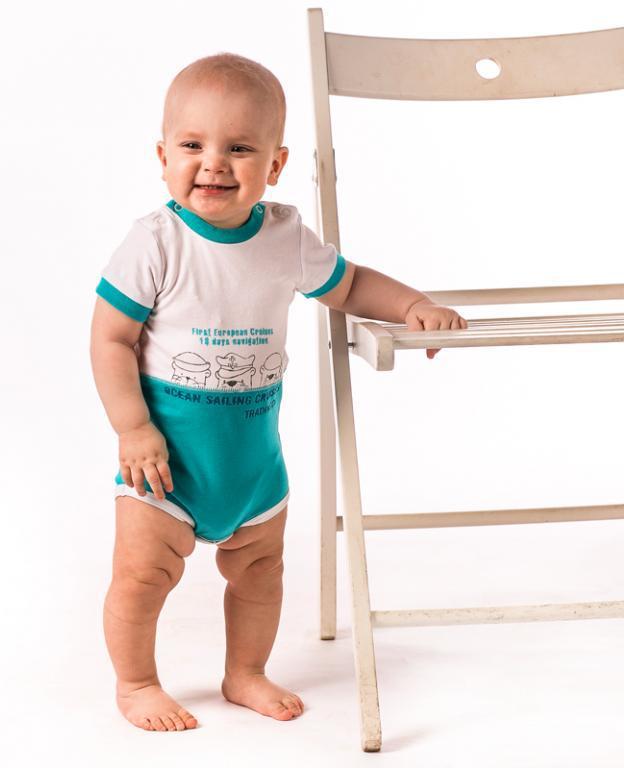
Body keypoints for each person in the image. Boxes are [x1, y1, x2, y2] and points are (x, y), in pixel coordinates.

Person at [90, 52, 468, 733]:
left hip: (253, 466)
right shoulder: (156, 242)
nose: (214, 164)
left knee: (261, 574)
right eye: (192, 145)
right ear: (163, 156)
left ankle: (245, 672)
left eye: (239, 148)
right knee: (141, 578)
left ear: (275, 165)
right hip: (163, 464)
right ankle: (137, 682)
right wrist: (132, 428)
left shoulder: (285, 237)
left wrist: (412, 304)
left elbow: (350, 286)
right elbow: (110, 340)